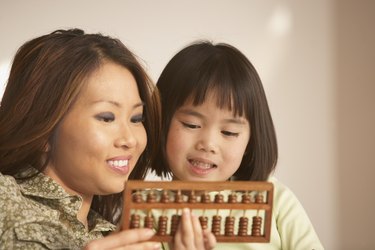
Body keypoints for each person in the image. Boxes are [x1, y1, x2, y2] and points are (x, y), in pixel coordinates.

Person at [0, 29, 216, 250]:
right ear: (44, 126)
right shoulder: (4, 198)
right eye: (106, 118)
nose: (130, 139)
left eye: (136, 118)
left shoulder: (119, 236)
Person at [151, 41, 324, 249]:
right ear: (161, 121)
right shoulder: (147, 212)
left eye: (229, 132)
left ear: (251, 142)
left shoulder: (275, 200)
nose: (208, 144)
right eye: (192, 124)